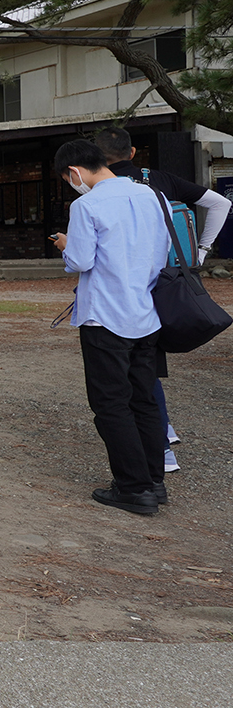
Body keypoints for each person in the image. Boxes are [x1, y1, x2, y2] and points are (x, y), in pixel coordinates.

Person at [93, 126, 232, 474]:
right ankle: (162, 435)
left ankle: (161, 445)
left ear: (95, 159)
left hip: (125, 289)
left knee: (137, 370)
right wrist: (199, 252)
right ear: (133, 152)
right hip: (168, 282)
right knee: (146, 364)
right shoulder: (158, 179)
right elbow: (220, 203)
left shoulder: (100, 191)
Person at [48, 139, 170, 515]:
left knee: (111, 404)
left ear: (75, 173)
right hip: (145, 313)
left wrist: (66, 246)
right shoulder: (150, 196)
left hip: (105, 317)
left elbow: (81, 260)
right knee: (144, 399)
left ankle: (133, 488)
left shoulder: (86, 205)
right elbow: (163, 249)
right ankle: (153, 481)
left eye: (69, 179)